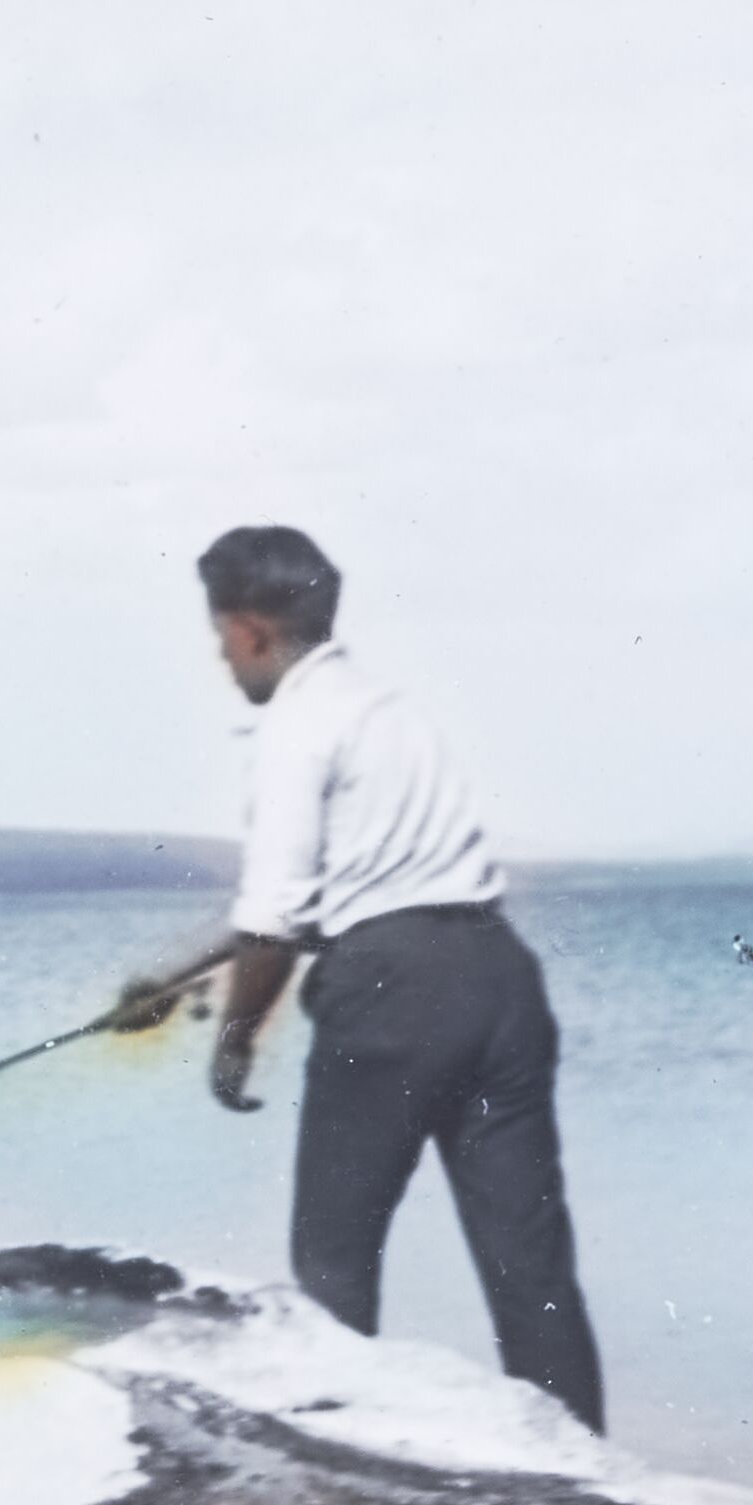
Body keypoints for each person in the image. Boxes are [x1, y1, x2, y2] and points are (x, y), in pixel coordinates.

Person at [100, 523, 606, 1430]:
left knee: (334, 1258)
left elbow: (272, 920)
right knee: (528, 1265)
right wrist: (168, 981)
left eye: (221, 640)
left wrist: (233, 1038)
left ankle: (336, 1473)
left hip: (390, 993)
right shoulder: (391, 711)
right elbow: (324, 894)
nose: (223, 662)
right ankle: (593, 1481)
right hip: (499, 977)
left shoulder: (294, 729)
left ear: (251, 630)